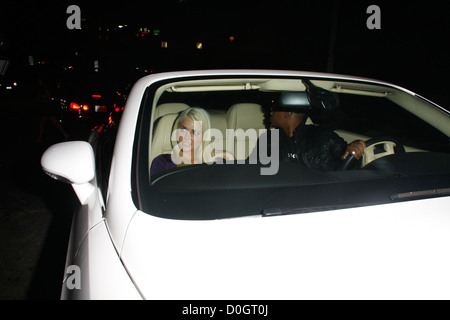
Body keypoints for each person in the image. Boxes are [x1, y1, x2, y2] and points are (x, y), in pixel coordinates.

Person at [253, 107, 366, 172]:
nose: (271, 112)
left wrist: (352, 151)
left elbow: (344, 155)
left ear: (289, 113)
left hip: (321, 199)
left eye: (275, 108)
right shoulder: (268, 139)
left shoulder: (323, 136)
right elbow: (251, 168)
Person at [150, 107, 234, 175]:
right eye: (183, 129)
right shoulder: (163, 162)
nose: (187, 137)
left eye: (195, 132)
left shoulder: (214, 162)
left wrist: (229, 156)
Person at [35, 77, 69, 143]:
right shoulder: (41, 90)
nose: (38, 82)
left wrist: (43, 99)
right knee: (54, 123)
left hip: (48, 109)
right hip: (47, 109)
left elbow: (49, 98)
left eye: (39, 81)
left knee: (42, 123)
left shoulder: (45, 89)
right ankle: (65, 134)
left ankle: (39, 138)